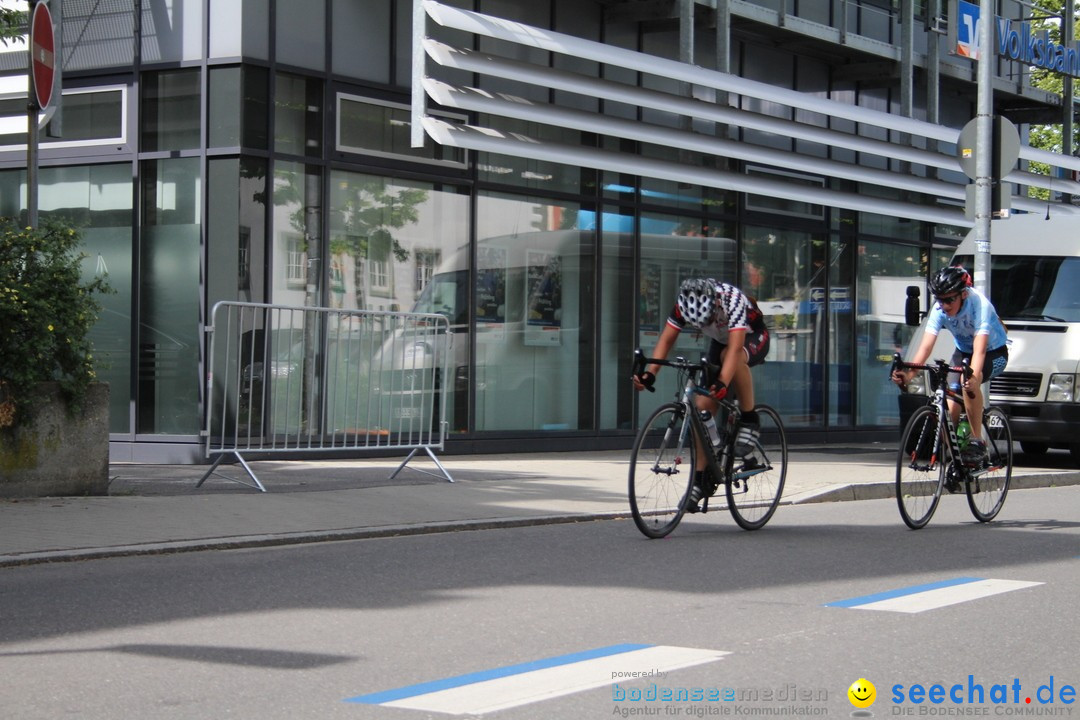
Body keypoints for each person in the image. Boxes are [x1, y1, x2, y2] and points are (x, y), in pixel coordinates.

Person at [631, 277, 770, 512]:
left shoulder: (731, 300)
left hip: (750, 336)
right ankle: (701, 480)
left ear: (714, 305)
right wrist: (650, 373)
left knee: (729, 359)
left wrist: (723, 382)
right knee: (702, 405)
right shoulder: (684, 303)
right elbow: (667, 338)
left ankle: (749, 418)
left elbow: (735, 349)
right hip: (721, 339)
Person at [891, 265, 1009, 465]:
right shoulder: (939, 309)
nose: (944, 305)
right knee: (950, 402)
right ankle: (955, 458)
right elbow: (926, 347)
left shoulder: (980, 305)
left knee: (967, 381)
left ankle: (977, 440)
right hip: (963, 352)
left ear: (963, 294)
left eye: (949, 299)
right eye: (940, 299)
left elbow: (979, 350)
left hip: (993, 352)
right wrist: (909, 375)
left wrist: (973, 377)